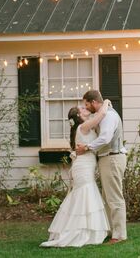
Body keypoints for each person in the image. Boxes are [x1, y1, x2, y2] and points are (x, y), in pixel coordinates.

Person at [40, 98, 112, 247]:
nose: (87, 110)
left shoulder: (82, 128)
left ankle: (86, 230)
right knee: (85, 195)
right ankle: (80, 232)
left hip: (84, 165)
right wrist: (105, 101)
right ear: (79, 116)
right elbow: (102, 113)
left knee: (83, 195)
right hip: (84, 167)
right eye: (83, 109)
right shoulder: (83, 127)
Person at [76, 89, 127, 244]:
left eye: (86, 104)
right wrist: (106, 102)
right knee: (107, 197)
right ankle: (111, 231)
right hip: (107, 158)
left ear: (93, 102)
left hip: (112, 157)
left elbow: (105, 138)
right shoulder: (102, 115)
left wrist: (87, 147)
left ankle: (119, 235)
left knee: (114, 198)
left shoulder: (109, 116)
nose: (86, 108)